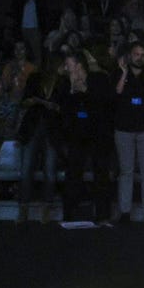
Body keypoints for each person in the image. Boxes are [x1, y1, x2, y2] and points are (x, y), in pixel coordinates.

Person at [58, 52, 114, 223]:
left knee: (101, 174)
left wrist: (85, 91)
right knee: (73, 173)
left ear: (79, 65)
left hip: (98, 133)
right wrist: (72, 91)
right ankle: (70, 214)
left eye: (68, 64)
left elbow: (105, 105)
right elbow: (64, 110)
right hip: (77, 135)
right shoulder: (65, 83)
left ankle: (103, 215)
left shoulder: (98, 79)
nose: (66, 68)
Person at [113, 42, 144, 224]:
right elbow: (117, 93)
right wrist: (124, 72)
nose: (139, 57)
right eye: (136, 54)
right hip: (124, 129)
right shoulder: (119, 73)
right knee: (126, 171)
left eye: (142, 54)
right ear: (129, 55)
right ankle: (125, 212)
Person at [16, 54, 62, 224]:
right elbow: (24, 101)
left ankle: (46, 208)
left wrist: (53, 106)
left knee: (49, 171)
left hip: (52, 128)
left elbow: (63, 106)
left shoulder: (62, 81)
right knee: (26, 168)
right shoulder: (35, 78)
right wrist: (38, 101)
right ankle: (23, 208)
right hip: (34, 125)